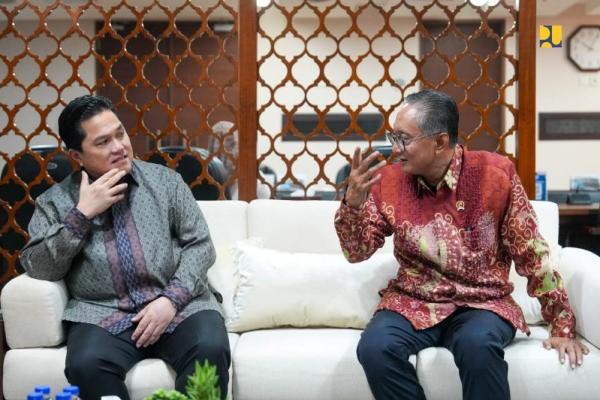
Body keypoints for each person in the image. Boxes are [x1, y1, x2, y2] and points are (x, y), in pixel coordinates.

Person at [334, 89, 589, 400]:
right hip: (413, 300)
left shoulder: (494, 175)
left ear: (440, 142)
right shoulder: (388, 182)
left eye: (404, 139)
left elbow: (532, 252)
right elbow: (356, 252)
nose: (395, 148)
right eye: (393, 137)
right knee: (375, 348)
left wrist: (562, 325)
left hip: (483, 302)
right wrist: (353, 204)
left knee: (477, 346)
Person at [20, 95, 230, 400]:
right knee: (85, 364)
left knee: (210, 347)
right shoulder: (55, 202)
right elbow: (39, 267)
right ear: (77, 155)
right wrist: (82, 215)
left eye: (120, 134)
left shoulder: (166, 182)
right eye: (103, 142)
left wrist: (170, 300)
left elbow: (200, 245)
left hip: (179, 306)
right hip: (103, 313)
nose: (119, 147)